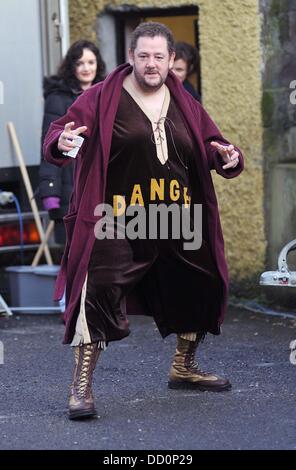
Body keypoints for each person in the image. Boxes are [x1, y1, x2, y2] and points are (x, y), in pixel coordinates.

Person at [44, 22, 244, 420]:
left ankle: (184, 366)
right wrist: (60, 142)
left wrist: (227, 155)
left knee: (202, 278)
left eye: (159, 57)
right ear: (130, 58)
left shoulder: (183, 99)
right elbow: (58, 132)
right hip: (116, 216)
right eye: (143, 56)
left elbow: (207, 144)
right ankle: (81, 387)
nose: (151, 64)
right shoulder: (104, 97)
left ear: (172, 60)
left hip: (175, 215)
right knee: (97, 289)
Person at [39, 39, 106, 244]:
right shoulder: (58, 99)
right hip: (71, 183)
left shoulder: (107, 94)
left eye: (91, 62)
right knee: (73, 256)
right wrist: (51, 192)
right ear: (72, 67)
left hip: (102, 186)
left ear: (98, 65)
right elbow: (49, 145)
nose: (86, 68)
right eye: (80, 63)